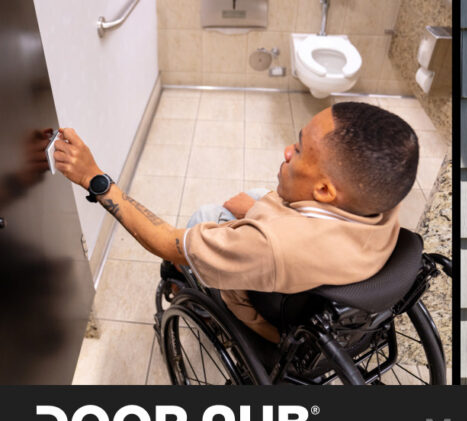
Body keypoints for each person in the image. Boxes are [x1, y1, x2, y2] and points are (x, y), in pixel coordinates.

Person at [53, 102, 419, 343]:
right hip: (329, 264)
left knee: (205, 216)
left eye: (300, 149)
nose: (287, 151)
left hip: (275, 303)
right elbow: (290, 230)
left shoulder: (267, 244)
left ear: (324, 189)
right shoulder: (382, 202)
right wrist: (261, 207)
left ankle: (198, 300)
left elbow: (165, 241)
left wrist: (95, 179)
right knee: (257, 193)